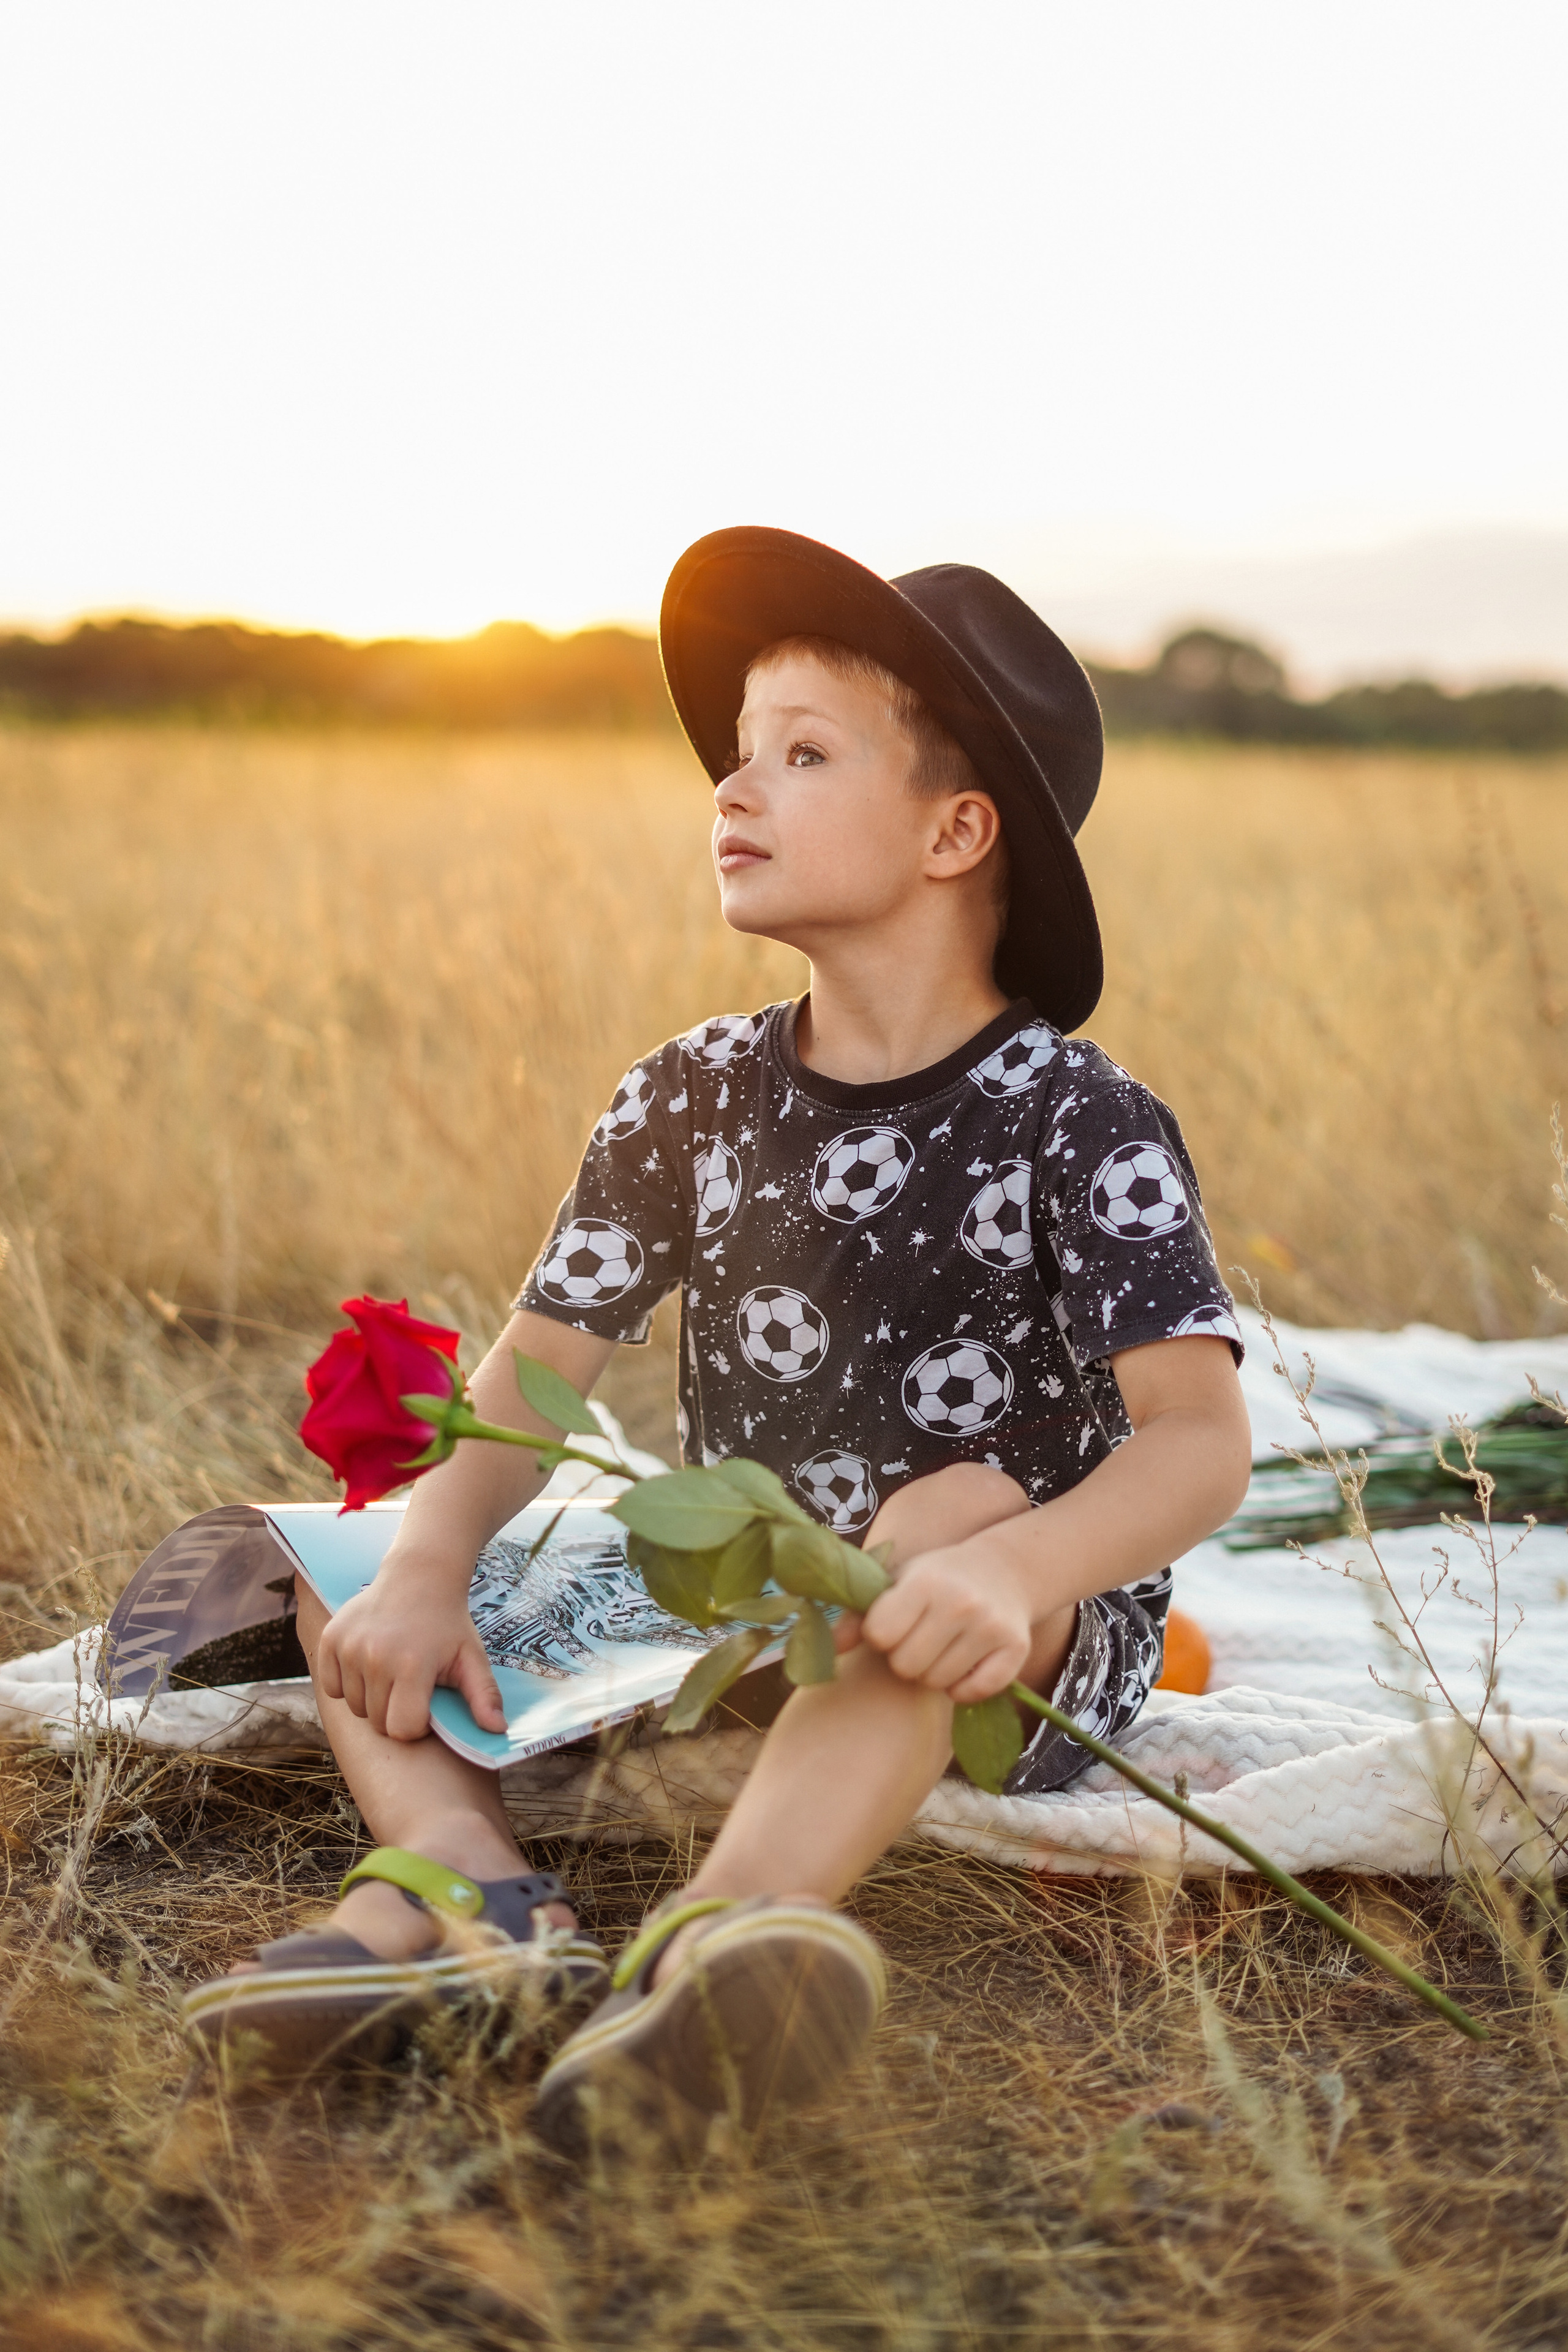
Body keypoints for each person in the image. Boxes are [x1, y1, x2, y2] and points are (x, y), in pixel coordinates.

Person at [188, 528, 1251, 2141]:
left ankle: (721, 1941)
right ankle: (468, 1904)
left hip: (994, 1638)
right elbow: (541, 1365)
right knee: (368, 1559)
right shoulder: (690, 1092)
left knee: (938, 1516)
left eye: (802, 754)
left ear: (959, 830)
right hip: (740, 1591)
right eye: (735, 757)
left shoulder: (1077, 1117)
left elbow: (1197, 1440)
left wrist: (1017, 1574)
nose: (733, 791)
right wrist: (420, 1575)